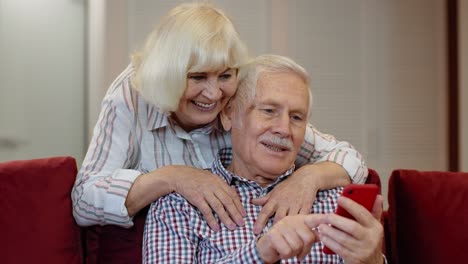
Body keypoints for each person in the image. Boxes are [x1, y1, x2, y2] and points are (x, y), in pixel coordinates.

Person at [72, 2, 367, 237]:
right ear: (168, 76)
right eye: (197, 77)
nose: (214, 95)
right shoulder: (130, 97)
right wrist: (172, 176)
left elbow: (346, 157)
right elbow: (84, 200)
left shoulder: (237, 96)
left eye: (224, 75)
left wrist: (309, 177)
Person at [143, 54, 384, 264]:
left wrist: (371, 261)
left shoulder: (336, 202)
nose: (284, 129)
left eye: (297, 118)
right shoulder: (179, 205)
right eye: (269, 111)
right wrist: (260, 253)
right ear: (229, 115)